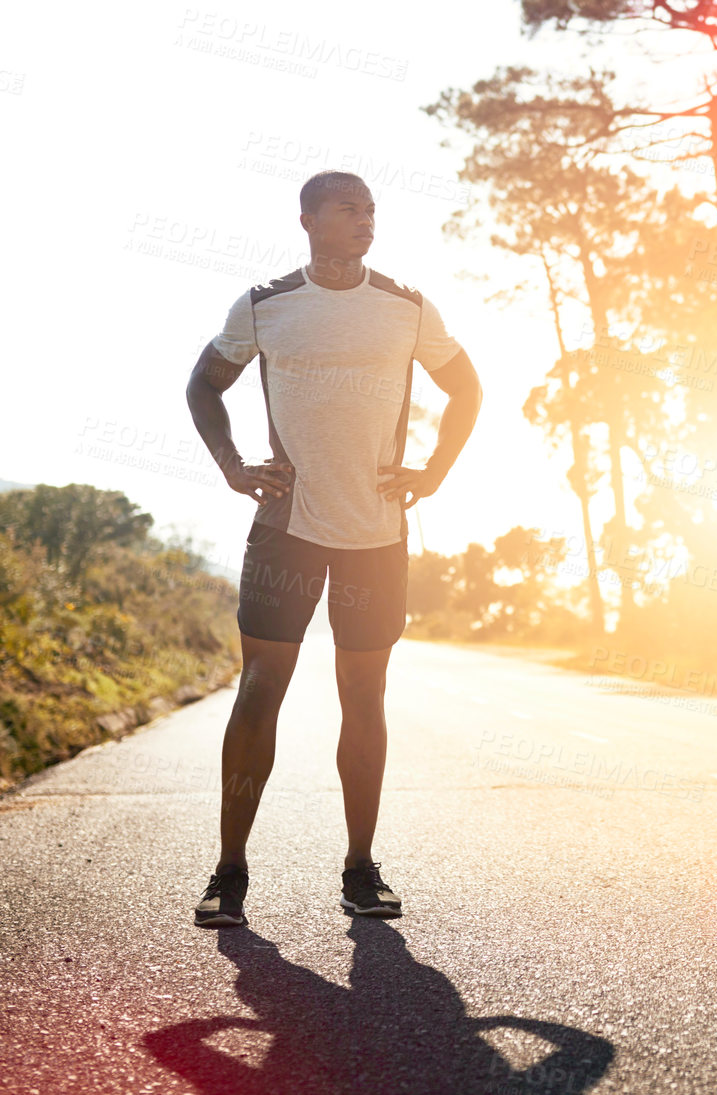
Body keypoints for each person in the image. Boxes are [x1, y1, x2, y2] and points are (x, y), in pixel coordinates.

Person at [183, 169, 482, 928]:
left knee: (364, 698)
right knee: (260, 690)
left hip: (375, 536)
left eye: (372, 209)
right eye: (349, 208)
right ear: (309, 219)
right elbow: (203, 386)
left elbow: (467, 388)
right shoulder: (266, 305)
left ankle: (360, 868)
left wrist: (434, 471)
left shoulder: (407, 309)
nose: (365, 219)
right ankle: (229, 874)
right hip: (286, 527)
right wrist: (233, 466)